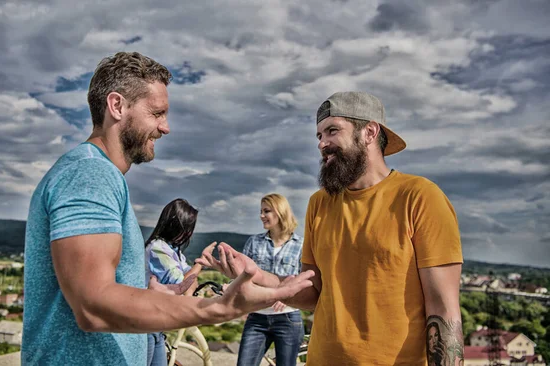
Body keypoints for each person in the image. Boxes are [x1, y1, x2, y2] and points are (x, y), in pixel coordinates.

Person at [22, 51, 314, 365]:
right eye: (157, 113)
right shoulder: (90, 174)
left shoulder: (98, 174)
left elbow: (103, 289)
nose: (165, 128)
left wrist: (156, 296)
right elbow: (93, 305)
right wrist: (219, 308)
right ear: (117, 106)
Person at [197, 92, 464, 365]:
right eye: (319, 136)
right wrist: (256, 275)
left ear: (369, 132)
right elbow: (313, 293)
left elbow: (443, 309)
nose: (322, 144)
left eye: (332, 131)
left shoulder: (420, 197)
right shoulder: (319, 203)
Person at [237, 193, 304, 366]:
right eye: (261, 211)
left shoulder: (301, 245)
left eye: (266, 211)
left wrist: (287, 295)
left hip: (288, 319)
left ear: (280, 212)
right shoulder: (253, 242)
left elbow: (305, 280)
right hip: (257, 317)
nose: (261, 215)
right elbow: (243, 277)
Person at [144, 198, 203, 366]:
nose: (190, 234)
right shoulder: (157, 249)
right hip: (146, 324)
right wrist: (200, 265)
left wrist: (191, 277)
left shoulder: (173, 250)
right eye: (188, 228)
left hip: (158, 325)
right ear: (177, 225)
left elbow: (190, 284)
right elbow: (183, 285)